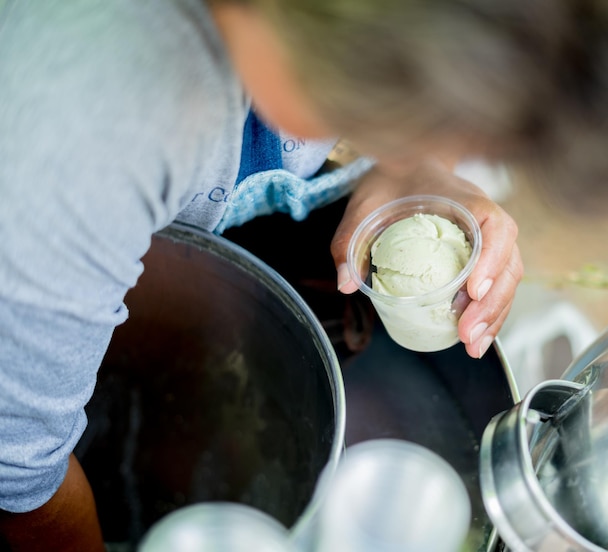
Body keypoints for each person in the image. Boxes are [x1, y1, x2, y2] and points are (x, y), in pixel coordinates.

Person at [0, 0, 527, 550]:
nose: (428, 134)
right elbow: (16, 471)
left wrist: (414, 170)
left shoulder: (311, 51)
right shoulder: (79, 129)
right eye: (392, 96)